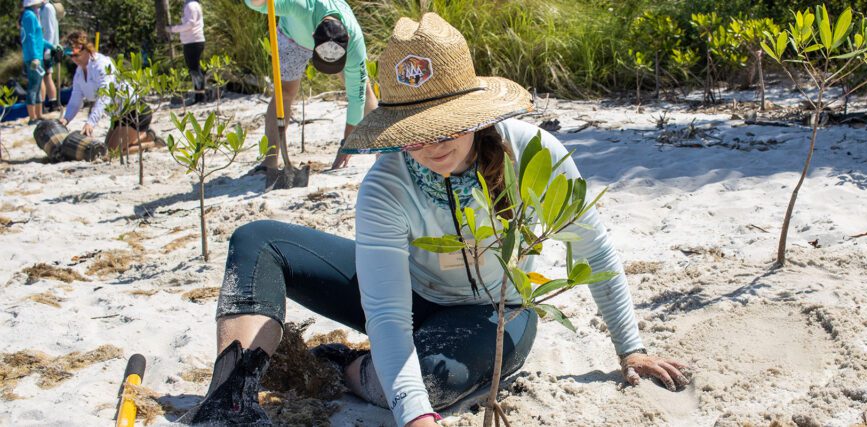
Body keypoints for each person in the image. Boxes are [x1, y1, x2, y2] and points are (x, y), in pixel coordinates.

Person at [179, 13, 690, 427]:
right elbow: (386, 312)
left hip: (495, 311)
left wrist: (632, 349)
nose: (432, 145)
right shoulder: (385, 185)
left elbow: (594, 250)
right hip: (406, 294)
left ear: (473, 111)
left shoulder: (533, 154)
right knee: (257, 240)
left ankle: (342, 365)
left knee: (432, 383)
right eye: (414, 131)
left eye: (445, 126)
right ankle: (230, 401)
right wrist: (416, 419)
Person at [244, 0, 377, 172]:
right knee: (284, 92)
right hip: (292, 36)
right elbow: (256, 4)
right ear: (314, 34)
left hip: (334, 42)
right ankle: (270, 161)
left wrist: (347, 145)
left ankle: (383, 153)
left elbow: (356, 98)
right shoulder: (299, 6)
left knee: (363, 90)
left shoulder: (354, 42)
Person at [58, 31, 161, 154]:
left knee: (112, 153)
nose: (74, 59)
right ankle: (144, 136)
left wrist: (91, 122)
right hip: (118, 116)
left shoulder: (102, 64)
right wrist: (66, 119)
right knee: (106, 148)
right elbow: (75, 100)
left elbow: (105, 96)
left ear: (86, 49)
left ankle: (152, 142)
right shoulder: (79, 73)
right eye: (71, 56)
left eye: (76, 55)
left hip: (135, 110)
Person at [20, 0, 55, 125]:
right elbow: (30, 38)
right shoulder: (29, 16)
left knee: (38, 85)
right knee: (33, 86)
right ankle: (32, 117)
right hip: (34, 57)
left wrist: (53, 46)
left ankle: (39, 114)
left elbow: (39, 38)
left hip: (37, 56)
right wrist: (35, 57)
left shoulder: (32, 15)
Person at [168, 0, 206, 104]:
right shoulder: (194, 4)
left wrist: (173, 29)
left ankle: (200, 97)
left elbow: (190, 23)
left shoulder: (190, 5)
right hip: (194, 41)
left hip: (192, 41)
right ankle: (198, 96)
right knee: (194, 69)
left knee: (194, 70)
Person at [39, 0, 60, 113]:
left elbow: (50, 30)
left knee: (44, 76)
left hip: (48, 48)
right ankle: (53, 103)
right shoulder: (43, 8)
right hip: (47, 47)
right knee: (47, 76)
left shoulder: (47, 8)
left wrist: (47, 50)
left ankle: (44, 105)